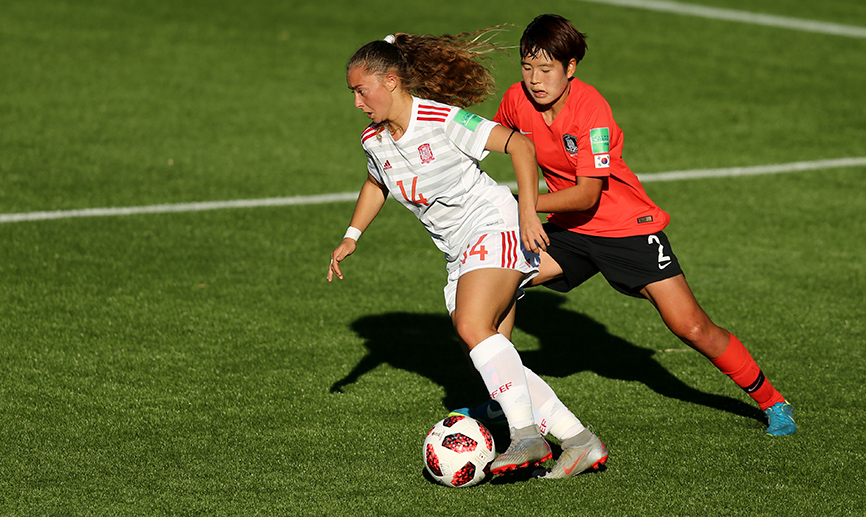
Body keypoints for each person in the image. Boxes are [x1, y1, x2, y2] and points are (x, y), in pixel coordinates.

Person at [483, 13, 795, 436]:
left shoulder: (591, 109)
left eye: (546, 69)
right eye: (527, 66)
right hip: (569, 230)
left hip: (625, 228)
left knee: (691, 326)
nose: (535, 79)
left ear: (570, 68)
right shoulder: (517, 99)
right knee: (502, 281)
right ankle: (505, 400)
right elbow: (492, 138)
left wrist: (524, 205)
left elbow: (587, 195)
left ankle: (773, 402)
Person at [327, 30, 609, 478]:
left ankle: (525, 436)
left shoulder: (442, 120)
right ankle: (578, 441)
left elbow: (521, 145)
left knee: (470, 325)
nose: (358, 102)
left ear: (392, 82)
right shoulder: (375, 141)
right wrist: (352, 235)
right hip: (459, 252)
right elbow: (376, 181)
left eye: (361, 91)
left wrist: (529, 212)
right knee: (492, 356)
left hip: (495, 226)